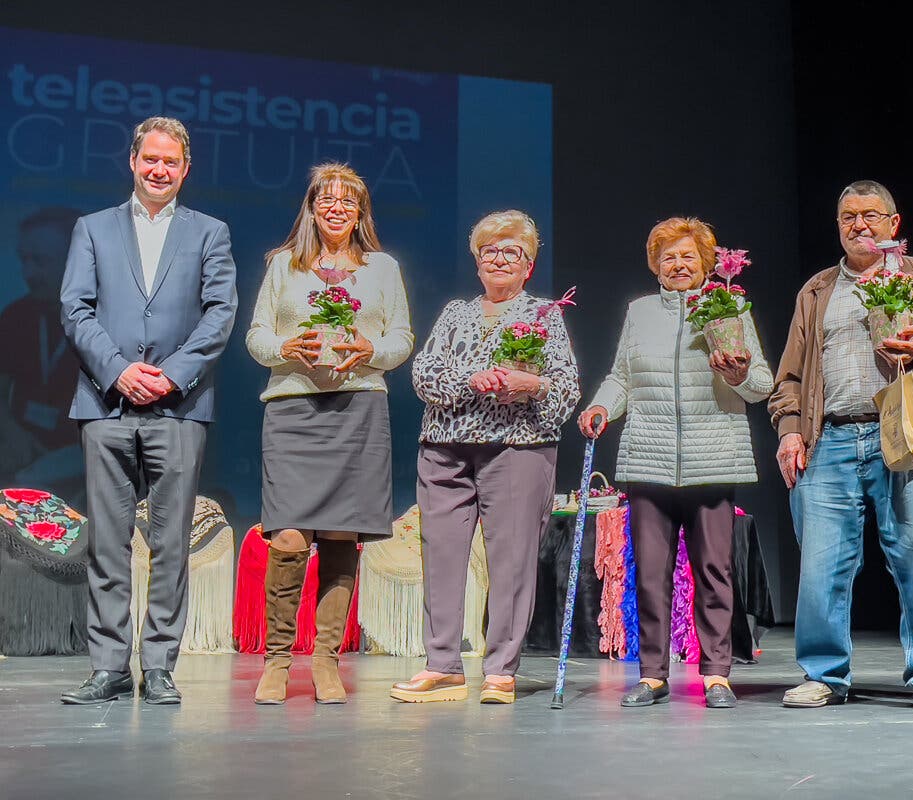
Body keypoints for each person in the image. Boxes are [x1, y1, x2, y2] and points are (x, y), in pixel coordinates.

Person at [59, 117, 238, 705]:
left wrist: (171, 374)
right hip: (105, 403)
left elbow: (219, 314)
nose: (159, 169)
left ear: (186, 169)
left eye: (171, 161)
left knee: (170, 546)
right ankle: (109, 667)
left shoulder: (210, 231)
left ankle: (159, 666)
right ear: (132, 161)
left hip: (179, 406)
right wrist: (118, 371)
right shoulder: (93, 229)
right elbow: (75, 309)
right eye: (150, 159)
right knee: (108, 544)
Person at [769, 180, 913, 712]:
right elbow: (789, 377)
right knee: (821, 565)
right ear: (838, 226)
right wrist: (790, 430)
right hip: (829, 436)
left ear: (893, 224)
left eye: (871, 215)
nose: (860, 224)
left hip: (904, 433)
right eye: (848, 217)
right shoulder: (817, 289)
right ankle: (824, 674)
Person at [579, 216, 773, 709]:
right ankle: (651, 673)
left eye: (688, 255)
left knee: (714, 571)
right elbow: (621, 377)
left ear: (707, 262)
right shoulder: (639, 311)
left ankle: (717, 674)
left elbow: (760, 386)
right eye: (668, 257)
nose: (678, 264)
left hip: (713, 457)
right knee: (649, 574)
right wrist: (602, 406)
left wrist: (741, 373)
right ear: (655, 267)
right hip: (650, 458)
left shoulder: (728, 306)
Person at [391, 210, 579, 705]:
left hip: (517, 448)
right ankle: (443, 666)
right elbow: (424, 376)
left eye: (511, 252)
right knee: (442, 558)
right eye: (489, 251)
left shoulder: (545, 315)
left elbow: (566, 390)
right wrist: (471, 379)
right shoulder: (456, 312)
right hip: (445, 449)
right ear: (477, 262)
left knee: (512, 562)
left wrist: (529, 383)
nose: (499, 259)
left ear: (528, 266)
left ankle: (501, 669)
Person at [246, 163, 413, 704]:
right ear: (312, 207)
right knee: (290, 537)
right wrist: (283, 350)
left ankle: (325, 660)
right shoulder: (283, 266)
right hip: (293, 408)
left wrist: (372, 353)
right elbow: (257, 335)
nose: (337, 208)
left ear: (361, 212)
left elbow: (401, 338)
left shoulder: (383, 268)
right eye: (327, 199)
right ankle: (276, 662)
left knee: (342, 536)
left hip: (359, 406)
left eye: (349, 201)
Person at [0, 208, 83, 496]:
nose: (29, 272)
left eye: (41, 261)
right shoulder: (16, 316)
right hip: (21, 448)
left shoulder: (109, 322)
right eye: (25, 259)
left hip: (83, 459)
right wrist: (12, 433)